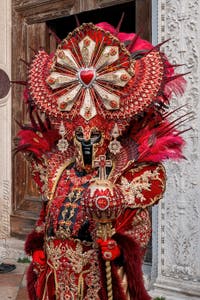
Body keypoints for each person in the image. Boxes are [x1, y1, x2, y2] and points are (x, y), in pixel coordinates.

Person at [16, 22, 186, 300]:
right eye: (79, 137)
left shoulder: (125, 172)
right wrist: (37, 247)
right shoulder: (58, 166)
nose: (85, 143)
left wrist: (119, 249)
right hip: (57, 276)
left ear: (108, 136)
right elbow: (47, 214)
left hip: (96, 278)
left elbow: (138, 226)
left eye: (93, 138)